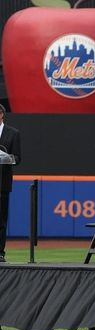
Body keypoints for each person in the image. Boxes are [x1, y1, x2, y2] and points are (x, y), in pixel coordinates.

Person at [0, 104, 20, 263]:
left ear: (1, 115)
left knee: (1, 219)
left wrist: (7, 158)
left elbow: (18, 158)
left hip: (2, 182)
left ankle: (0, 252)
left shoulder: (13, 133)